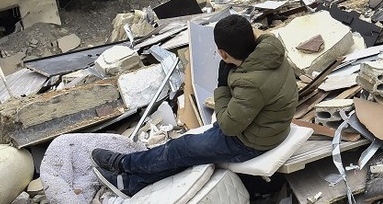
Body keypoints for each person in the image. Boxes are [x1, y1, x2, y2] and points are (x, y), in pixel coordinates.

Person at [91, 14, 298, 197]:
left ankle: (123, 166)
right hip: (265, 126)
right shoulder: (268, 49)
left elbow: (228, 126)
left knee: (179, 148)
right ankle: (133, 183)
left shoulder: (250, 82)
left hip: (251, 142)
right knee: (186, 151)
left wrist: (222, 86)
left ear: (223, 53)